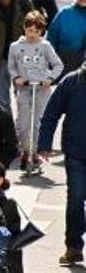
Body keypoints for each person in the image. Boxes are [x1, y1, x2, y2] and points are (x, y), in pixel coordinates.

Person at [39, 52, 86, 265]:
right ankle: (73, 247)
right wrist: (45, 143)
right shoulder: (71, 81)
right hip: (76, 153)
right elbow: (51, 113)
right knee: (76, 199)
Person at [9, 10, 64, 170]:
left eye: (36, 31)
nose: (32, 34)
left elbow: (58, 65)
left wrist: (49, 79)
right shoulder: (15, 47)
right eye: (29, 30)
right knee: (24, 122)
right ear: (24, 29)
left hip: (41, 89)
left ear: (41, 31)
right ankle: (25, 150)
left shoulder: (45, 46)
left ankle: (35, 153)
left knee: (38, 121)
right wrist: (17, 78)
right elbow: (11, 66)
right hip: (24, 88)